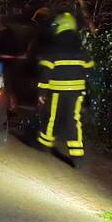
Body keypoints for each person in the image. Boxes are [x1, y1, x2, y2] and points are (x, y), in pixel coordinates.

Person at [35, 12, 94, 168]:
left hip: (57, 91)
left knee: (52, 118)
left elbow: (46, 72)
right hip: (77, 93)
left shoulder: (53, 50)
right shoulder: (80, 49)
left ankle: (44, 143)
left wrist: (41, 92)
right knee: (73, 120)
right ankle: (77, 155)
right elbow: (89, 68)